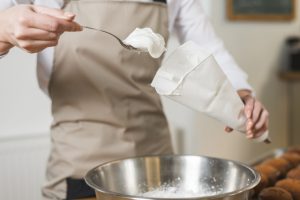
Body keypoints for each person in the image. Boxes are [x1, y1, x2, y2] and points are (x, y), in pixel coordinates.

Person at [0, 0, 269, 199]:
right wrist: (4, 30)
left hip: (158, 165)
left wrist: (241, 96)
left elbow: (211, 50)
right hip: (78, 170)